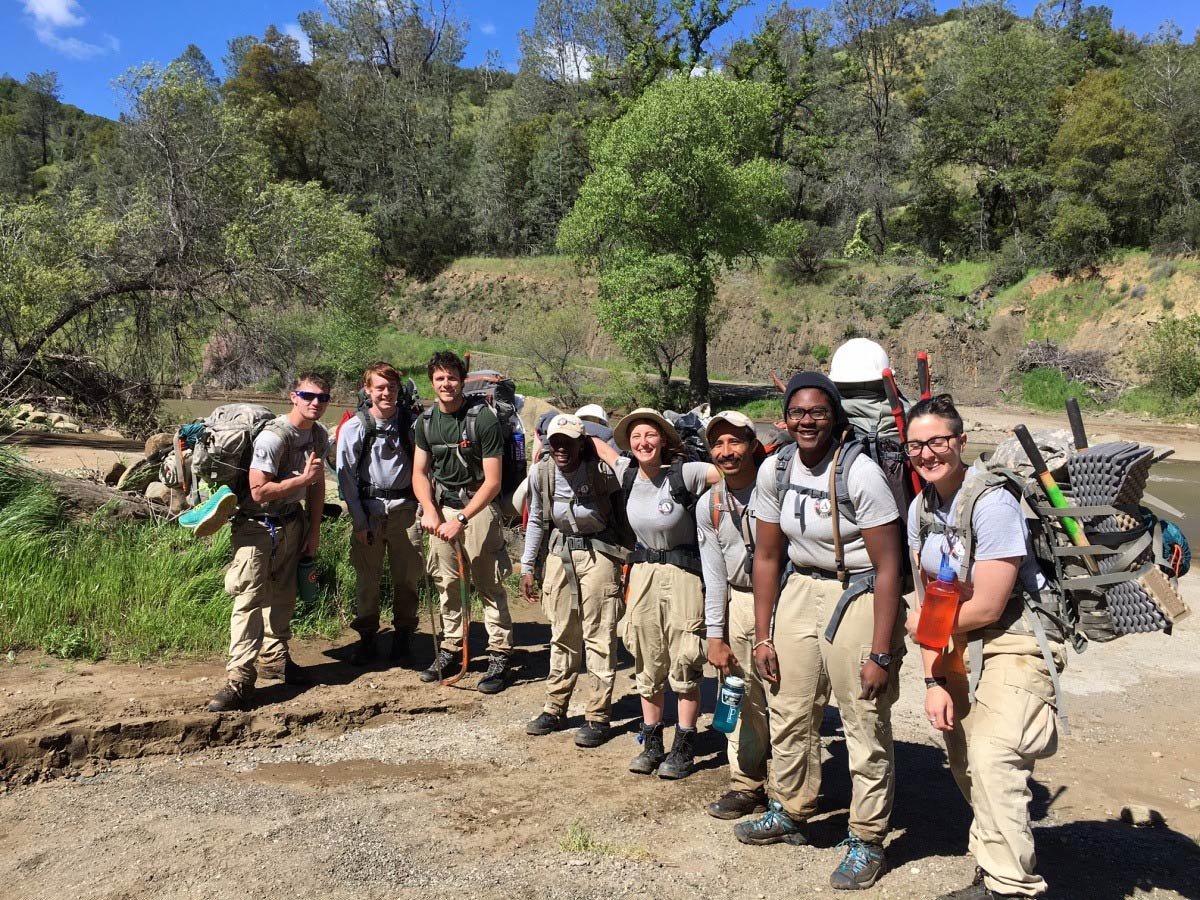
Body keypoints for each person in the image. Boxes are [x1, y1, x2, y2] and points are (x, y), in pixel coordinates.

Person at [742, 372, 905, 892]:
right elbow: (766, 555)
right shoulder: (777, 467)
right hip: (798, 588)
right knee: (789, 701)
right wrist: (764, 634)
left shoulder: (860, 473)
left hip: (855, 590)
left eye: (817, 412)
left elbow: (888, 568)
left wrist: (880, 651)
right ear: (784, 418)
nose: (806, 421)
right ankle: (789, 806)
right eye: (797, 412)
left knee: (861, 714)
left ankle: (867, 836)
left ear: (834, 416)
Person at [906, 395, 1064, 900]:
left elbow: (991, 605)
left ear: (961, 442)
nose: (927, 453)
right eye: (916, 445)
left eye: (937, 441)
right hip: (954, 640)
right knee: (965, 760)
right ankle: (992, 864)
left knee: (995, 755)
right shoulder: (921, 507)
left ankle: (1013, 888)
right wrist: (933, 681)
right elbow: (927, 595)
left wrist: (923, 626)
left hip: (1016, 639)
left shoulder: (992, 502)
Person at [595, 408, 720, 779]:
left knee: (685, 657)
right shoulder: (629, 472)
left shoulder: (687, 474)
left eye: (650, 435)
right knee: (647, 658)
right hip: (644, 573)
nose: (642, 443)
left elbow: (734, 468)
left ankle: (683, 747)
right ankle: (652, 744)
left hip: (684, 575)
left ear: (664, 439)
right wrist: (575, 435)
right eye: (635, 437)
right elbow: (600, 447)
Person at [208, 373, 331, 712]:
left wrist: (314, 529)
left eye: (323, 398)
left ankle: (275, 659)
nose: (316, 403)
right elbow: (258, 490)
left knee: (282, 596)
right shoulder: (274, 438)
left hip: (292, 523)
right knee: (248, 601)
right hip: (256, 527)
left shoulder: (319, 435)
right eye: (309, 396)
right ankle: (239, 681)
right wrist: (302, 480)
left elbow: (318, 486)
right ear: (294, 396)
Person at [520, 414, 626, 748]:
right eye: (556, 442)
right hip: (559, 554)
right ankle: (555, 707)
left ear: (583, 442)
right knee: (562, 632)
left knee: (598, 634)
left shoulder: (603, 472)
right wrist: (527, 567)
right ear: (548, 444)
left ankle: (598, 714)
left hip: (600, 555)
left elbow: (627, 502)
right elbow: (536, 519)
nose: (562, 448)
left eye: (569, 442)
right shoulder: (542, 473)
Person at [412, 351, 514, 693]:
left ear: (462, 380)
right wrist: (428, 509)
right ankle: (451, 647)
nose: (446, 384)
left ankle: (499, 654)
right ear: (432, 383)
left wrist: (461, 518)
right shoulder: (426, 423)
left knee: (488, 583)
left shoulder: (482, 419)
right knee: (447, 583)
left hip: (478, 507)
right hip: (441, 508)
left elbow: (494, 481)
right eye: (439, 378)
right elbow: (419, 472)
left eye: (452, 378)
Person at [696, 411, 770, 819]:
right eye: (718, 445)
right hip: (738, 601)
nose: (727, 452)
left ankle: (788, 788)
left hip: (781, 602)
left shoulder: (775, 490)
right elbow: (714, 574)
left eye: (735, 442)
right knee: (738, 696)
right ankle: (745, 783)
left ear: (752, 444)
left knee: (788, 698)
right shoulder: (710, 504)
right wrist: (715, 635)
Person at [337, 362, 422, 667]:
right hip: (369, 516)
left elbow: (427, 470)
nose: (386, 393)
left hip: (406, 515)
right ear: (368, 390)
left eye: (392, 387)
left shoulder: (412, 425)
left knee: (407, 580)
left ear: (399, 391)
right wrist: (359, 521)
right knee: (367, 581)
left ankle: (403, 637)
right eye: (380, 387)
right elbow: (345, 477)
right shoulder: (355, 427)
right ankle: (367, 638)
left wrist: (424, 510)